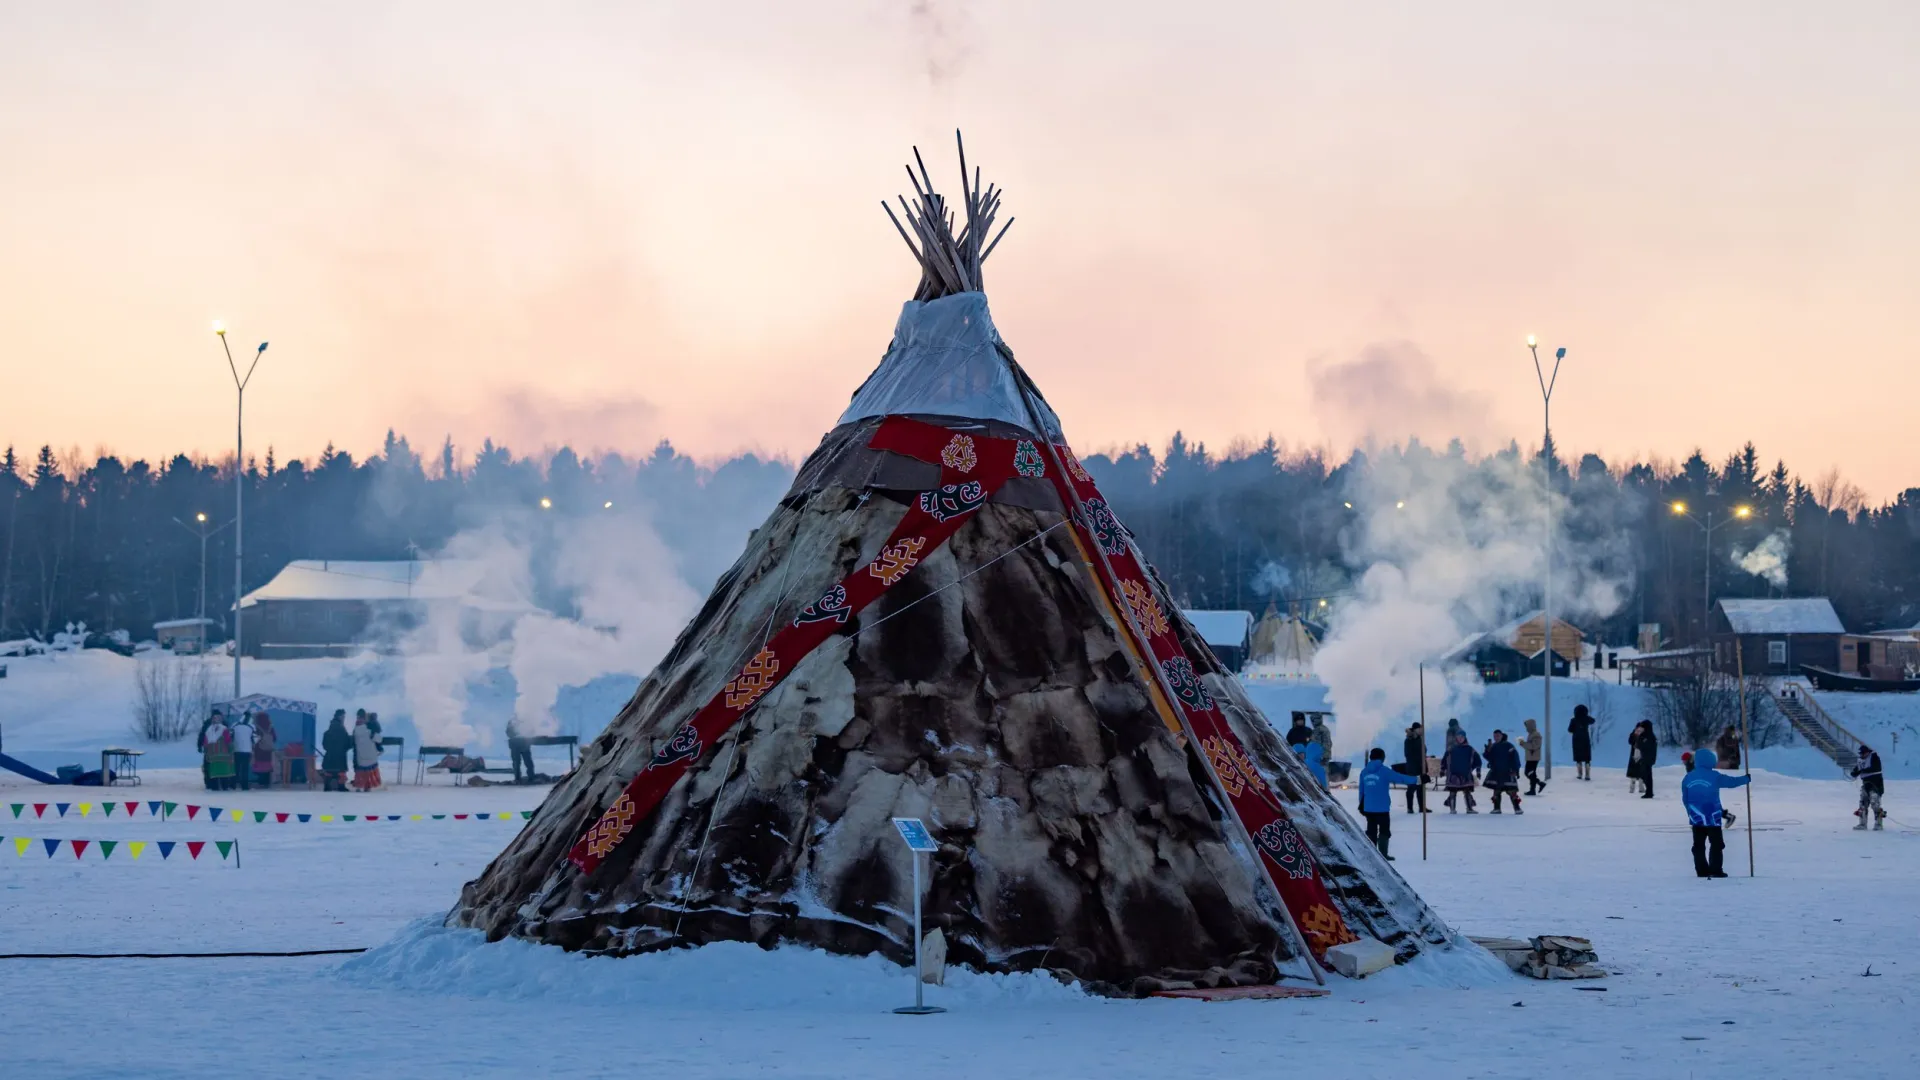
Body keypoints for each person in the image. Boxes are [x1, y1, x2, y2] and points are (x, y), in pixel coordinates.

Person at [1681, 748, 1750, 877]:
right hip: (1713, 817)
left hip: (1696, 818)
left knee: (1698, 845)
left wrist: (1689, 812)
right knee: (1716, 844)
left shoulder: (1688, 777)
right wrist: (1745, 779)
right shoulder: (1714, 776)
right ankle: (1715, 869)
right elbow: (1731, 782)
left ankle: (1701, 870)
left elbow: (1685, 798)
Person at [1357, 748, 1421, 860]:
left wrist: (1361, 805)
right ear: (1382, 758)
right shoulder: (1384, 771)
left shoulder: (1364, 772)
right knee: (1384, 831)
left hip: (1368, 807)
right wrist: (1418, 779)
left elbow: (1361, 791)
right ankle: (1383, 854)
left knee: (1371, 830)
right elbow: (1401, 778)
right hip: (1382, 808)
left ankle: (1372, 855)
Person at [1483, 730, 1524, 814]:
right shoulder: (1493, 746)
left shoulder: (1509, 746)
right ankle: (1497, 808)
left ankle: (1517, 808)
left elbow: (1515, 758)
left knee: (1512, 791)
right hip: (1496, 772)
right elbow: (1490, 758)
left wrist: (1516, 769)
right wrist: (1487, 751)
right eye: (1495, 736)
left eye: (1498, 736)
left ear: (1502, 736)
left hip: (1508, 772)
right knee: (1496, 791)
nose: (1496, 738)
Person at [1443, 732, 1481, 814]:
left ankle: (1469, 808)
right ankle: (1452, 809)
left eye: (1462, 737)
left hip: (1466, 774)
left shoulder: (1470, 749)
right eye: (1458, 737)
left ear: (1464, 738)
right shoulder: (1451, 749)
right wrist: (1442, 769)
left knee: (1467, 792)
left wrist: (1477, 770)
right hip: (1453, 774)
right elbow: (1444, 760)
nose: (1460, 738)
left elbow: (1477, 760)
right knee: (1452, 792)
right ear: (1456, 738)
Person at [1852, 742, 1885, 831]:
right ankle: (1862, 824)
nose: (1861, 755)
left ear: (1867, 752)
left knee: (1875, 803)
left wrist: (1862, 770)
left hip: (1876, 784)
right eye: (1860, 753)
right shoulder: (1860, 761)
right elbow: (1856, 770)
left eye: (1863, 753)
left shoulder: (1874, 757)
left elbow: (1876, 768)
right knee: (1863, 804)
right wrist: (1854, 772)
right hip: (1866, 784)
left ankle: (1878, 824)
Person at [320, 710, 352, 793]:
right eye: (343, 717)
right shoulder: (342, 731)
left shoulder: (328, 732)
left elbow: (324, 744)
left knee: (329, 772)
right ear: (340, 717)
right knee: (340, 772)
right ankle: (341, 786)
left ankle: (327, 786)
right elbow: (347, 743)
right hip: (340, 757)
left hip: (329, 756)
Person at [1401, 722, 1430, 814]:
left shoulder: (1420, 739)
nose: (1421, 730)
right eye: (1420, 729)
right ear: (1416, 729)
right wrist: (1417, 759)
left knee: (1421, 788)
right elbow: (1408, 754)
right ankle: (1410, 808)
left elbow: (1423, 751)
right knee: (1412, 787)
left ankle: (1422, 807)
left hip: (1420, 767)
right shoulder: (1409, 740)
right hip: (1413, 767)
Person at [203, 713, 235, 791]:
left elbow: (205, 743)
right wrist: (231, 751)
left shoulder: (209, 730)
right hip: (223, 754)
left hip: (213, 755)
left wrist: (206, 752)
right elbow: (228, 741)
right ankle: (224, 786)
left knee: (214, 772)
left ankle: (215, 787)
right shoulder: (224, 729)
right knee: (224, 772)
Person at [352, 712, 383, 791]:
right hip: (371, 757)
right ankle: (368, 786)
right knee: (370, 771)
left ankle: (359, 785)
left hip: (360, 758)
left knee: (361, 771)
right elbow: (379, 740)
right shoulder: (370, 731)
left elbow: (353, 743)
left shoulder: (356, 730)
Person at [1628, 721, 1658, 798]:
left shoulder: (1648, 736)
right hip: (1646, 758)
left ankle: (1649, 792)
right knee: (1645, 775)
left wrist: (1639, 739)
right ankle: (1649, 791)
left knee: (1646, 775)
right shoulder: (1648, 735)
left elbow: (1642, 745)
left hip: (1647, 758)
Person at [196, 709, 224, 790]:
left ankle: (209, 783)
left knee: (208, 766)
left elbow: (202, 735)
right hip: (219, 749)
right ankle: (219, 783)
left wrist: (199, 746)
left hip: (208, 748)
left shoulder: (207, 723)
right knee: (218, 766)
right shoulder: (222, 723)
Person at [229, 711, 256, 792]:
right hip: (247, 750)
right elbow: (254, 739)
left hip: (236, 750)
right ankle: (244, 786)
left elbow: (230, 737)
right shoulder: (251, 727)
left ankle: (233, 785)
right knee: (245, 769)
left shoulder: (234, 725)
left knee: (235, 769)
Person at [1568, 704, 1596, 781]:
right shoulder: (1587, 719)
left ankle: (1580, 774)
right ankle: (1587, 775)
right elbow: (1593, 720)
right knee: (1587, 757)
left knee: (1578, 757)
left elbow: (1570, 730)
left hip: (1576, 740)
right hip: (1585, 739)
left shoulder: (1573, 720)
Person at [250, 711, 276, 790]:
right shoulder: (270, 727)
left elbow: (254, 738)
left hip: (259, 750)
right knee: (267, 767)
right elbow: (274, 738)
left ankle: (261, 782)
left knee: (259, 767)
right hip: (268, 750)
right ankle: (266, 783)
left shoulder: (256, 727)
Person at [1521, 718, 1546, 796]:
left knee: (1529, 772)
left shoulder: (1536, 735)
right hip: (1531, 757)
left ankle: (1537, 786)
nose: (1526, 728)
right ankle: (1535, 787)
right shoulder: (1532, 734)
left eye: (1527, 726)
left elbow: (1534, 746)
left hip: (1533, 757)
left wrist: (1523, 744)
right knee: (1531, 773)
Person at [507, 719, 536, 784]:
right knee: (517, 763)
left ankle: (530, 778)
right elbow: (508, 732)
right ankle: (518, 778)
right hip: (516, 745)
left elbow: (531, 731)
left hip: (524, 744)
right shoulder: (512, 721)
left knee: (528, 762)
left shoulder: (525, 721)